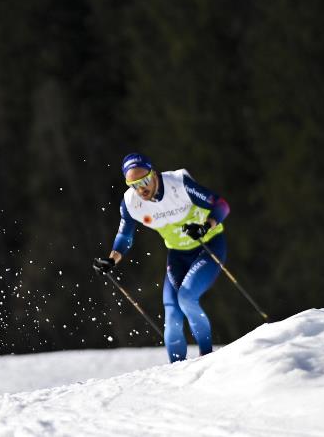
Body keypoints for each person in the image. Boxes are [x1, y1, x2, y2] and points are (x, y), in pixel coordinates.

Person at [93, 153, 231, 363]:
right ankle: (176, 372)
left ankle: (207, 358)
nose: (142, 189)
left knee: (186, 297)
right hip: (178, 256)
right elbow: (124, 236)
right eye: (134, 185)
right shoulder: (131, 203)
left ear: (154, 173)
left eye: (145, 180)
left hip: (208, 247)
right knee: (172, 316)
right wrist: (111, 259)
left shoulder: (178, 184)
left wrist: (205, 226)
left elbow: (222, 205)